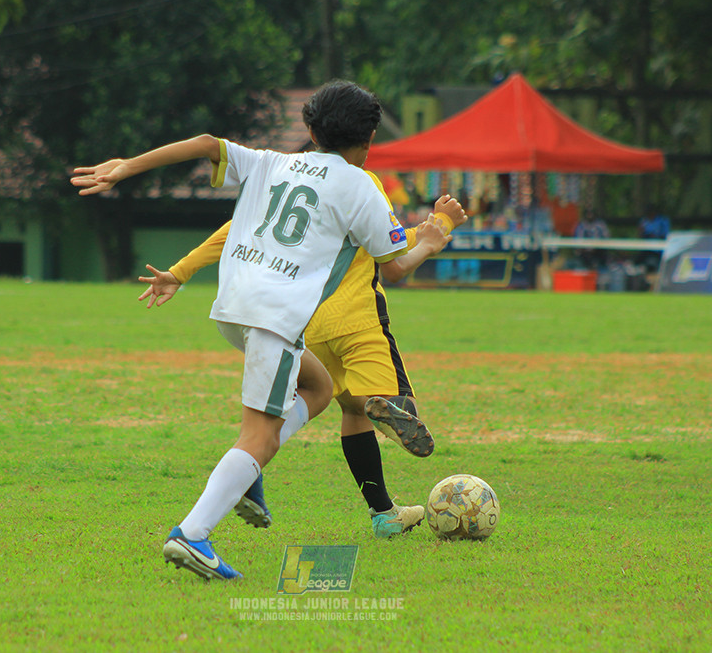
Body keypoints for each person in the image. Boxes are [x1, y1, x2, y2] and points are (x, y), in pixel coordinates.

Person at [71, 80, 412, 580]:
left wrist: (127, 166)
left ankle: (248, 473)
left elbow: (207, 144)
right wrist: (432, 236)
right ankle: (192, 533)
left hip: (234, 308)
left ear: (311, 129)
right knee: (260, 436)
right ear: (370, 138)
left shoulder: (273, 162)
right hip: (274, 319)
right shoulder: (361, 186)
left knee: (318, 386)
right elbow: (397, 269)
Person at [141, 189, 466, 539]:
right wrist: (440, 224)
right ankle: (388, 409)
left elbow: (235, 230)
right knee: (397, 405)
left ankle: (384, 514)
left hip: (307, 322)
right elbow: (393, 247)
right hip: (358, 319)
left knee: (351, 410)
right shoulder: (359, 182)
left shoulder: (289, 180)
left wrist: (179, 272)